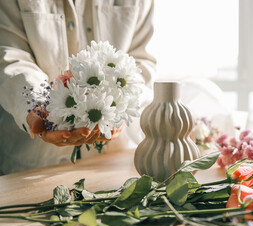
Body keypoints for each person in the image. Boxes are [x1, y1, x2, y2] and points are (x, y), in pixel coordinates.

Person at [0, 0, 156, 174]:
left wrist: (120, 107)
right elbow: (9, 56)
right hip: (31, 167)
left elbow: (142, 60)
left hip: (111, 164)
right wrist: (39, 108)